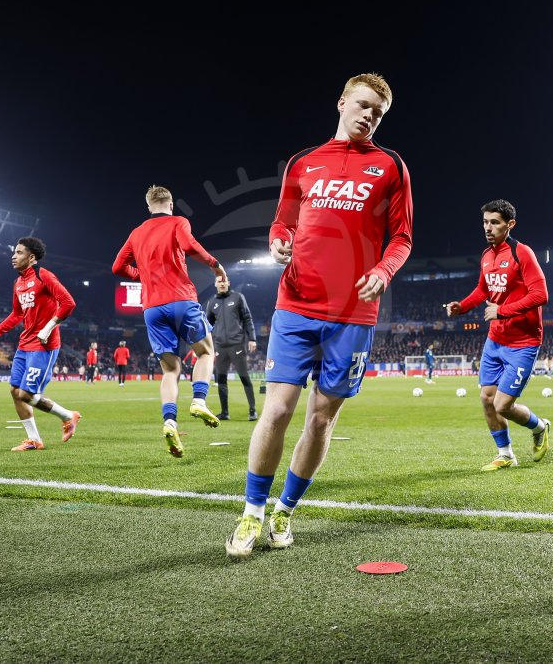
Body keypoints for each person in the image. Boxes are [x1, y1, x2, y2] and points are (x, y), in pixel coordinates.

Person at [226, 73, 413, 559]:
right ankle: (251, 512)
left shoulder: (391, 166)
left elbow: (402, 237)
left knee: (321, 419)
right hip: (296, 304)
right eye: (363, 105)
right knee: (277, 410)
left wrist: (384, 270)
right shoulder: (303, 162)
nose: (369, 116)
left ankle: (285, 509)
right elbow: (282, 221)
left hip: (354, 314)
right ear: (342, 102)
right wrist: (277, 241)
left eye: (378, 112)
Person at [112, 185, 227, 457]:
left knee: (170, 371)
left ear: (148, 206)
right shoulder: (178, 222)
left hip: (152, 307)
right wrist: (215, 265)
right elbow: (189, 246)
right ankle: (199, 400)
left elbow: (117, 267)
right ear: (171, 204)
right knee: (206, 352)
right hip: (181, 300)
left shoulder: (136, 232)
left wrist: (142, 275)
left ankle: (170, 422)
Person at [444, 200, 551, 472]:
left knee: (502, 405)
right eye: (485, 222)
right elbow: (483, 290)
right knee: (486, 399)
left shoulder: (521, 252)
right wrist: (462, 306)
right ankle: (505, 455)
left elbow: (541, 295)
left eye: (495, 222)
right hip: (495, 340)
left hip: (523, 342)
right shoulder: (486, 255)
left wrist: (501, 311)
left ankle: (540, 427)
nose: (488, 228)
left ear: (510, 224)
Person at [0, 237, 81, 451]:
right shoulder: (18, 283)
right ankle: (34, 440)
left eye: (19, 252)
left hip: (43, 346)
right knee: (15, 391)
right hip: (24, 345)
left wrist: (48, 328)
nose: (13, 256)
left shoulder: (43, 275)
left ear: (32, 257)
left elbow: (68, 303)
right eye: (14, 252)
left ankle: (68, 416)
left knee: (26, 394)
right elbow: (17, 314)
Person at [205, 275, 259, 421]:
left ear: (228, 283)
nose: (222, 284)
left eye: (224, 281)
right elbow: (207, 325)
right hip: (220, 346)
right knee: (221, 379)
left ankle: (252, 410)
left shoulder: (238, 297)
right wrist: (206, 342)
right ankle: (224, 412)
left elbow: (247, 318)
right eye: (219, 281)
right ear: (215, 284)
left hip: (237, 344)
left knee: (244, 377)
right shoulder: (212, 302)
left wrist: (252, 338)